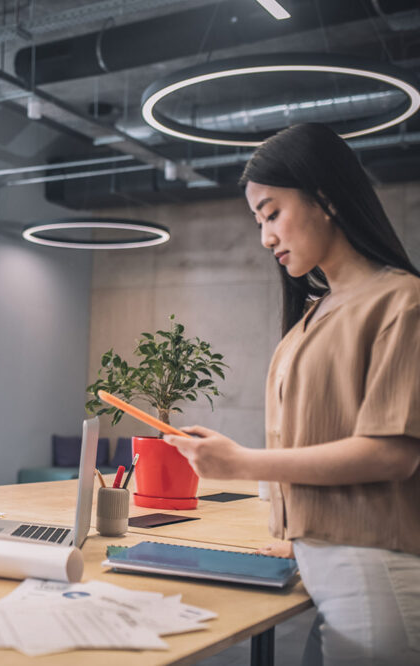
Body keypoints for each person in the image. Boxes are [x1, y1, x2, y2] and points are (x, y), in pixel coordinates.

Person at [163, 123, 420, 665]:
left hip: (375, 571)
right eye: (259, 221)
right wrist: (301, 533)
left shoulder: (402, 302)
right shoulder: (313, 314)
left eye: (272, 213)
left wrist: (244, 463)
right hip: (324, 563)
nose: (265, 238)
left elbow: (392, 453)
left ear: (324, 197)